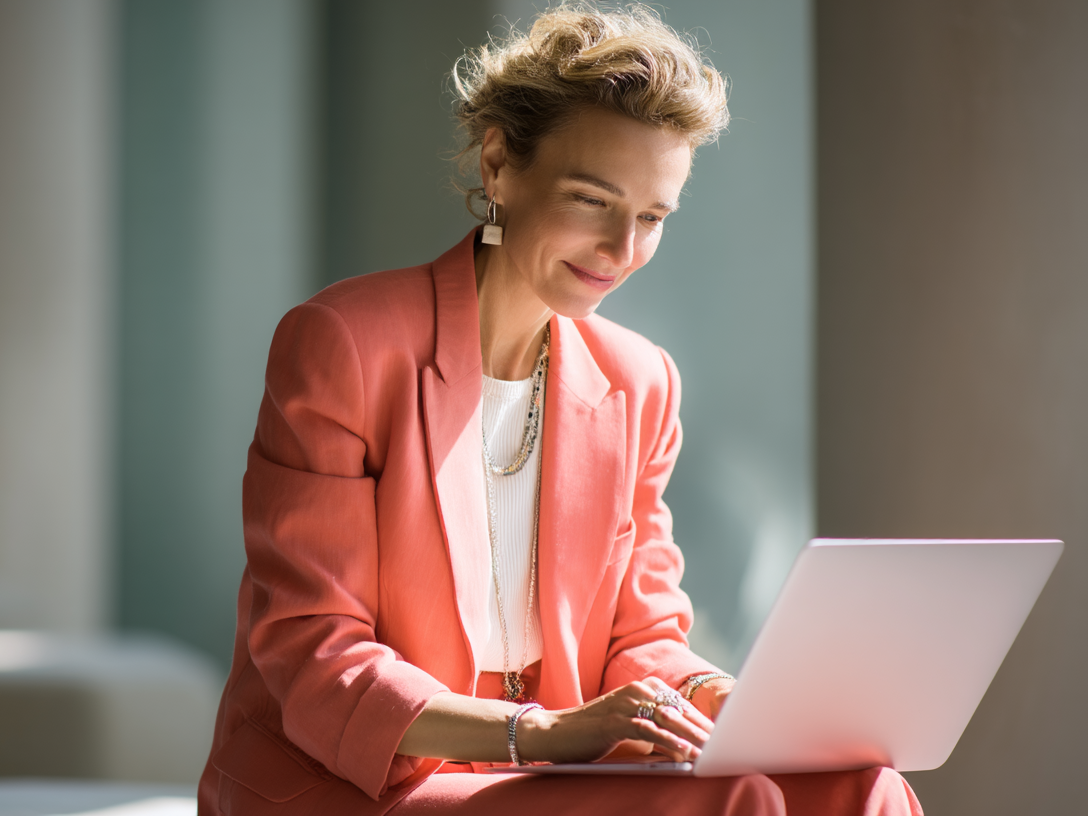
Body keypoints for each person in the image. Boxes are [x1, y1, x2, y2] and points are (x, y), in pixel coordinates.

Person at [198, 4, 922, 814]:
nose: (620, 252)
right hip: (362, 781)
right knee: (729, 801)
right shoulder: (343, 346)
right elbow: (314, 655)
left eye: (651, 218)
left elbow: (640, 640)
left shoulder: (639, 381)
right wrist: (541, 732)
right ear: (501, 163)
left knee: (865, 787)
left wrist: (726, 700)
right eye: (591, 200)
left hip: (545, 771)